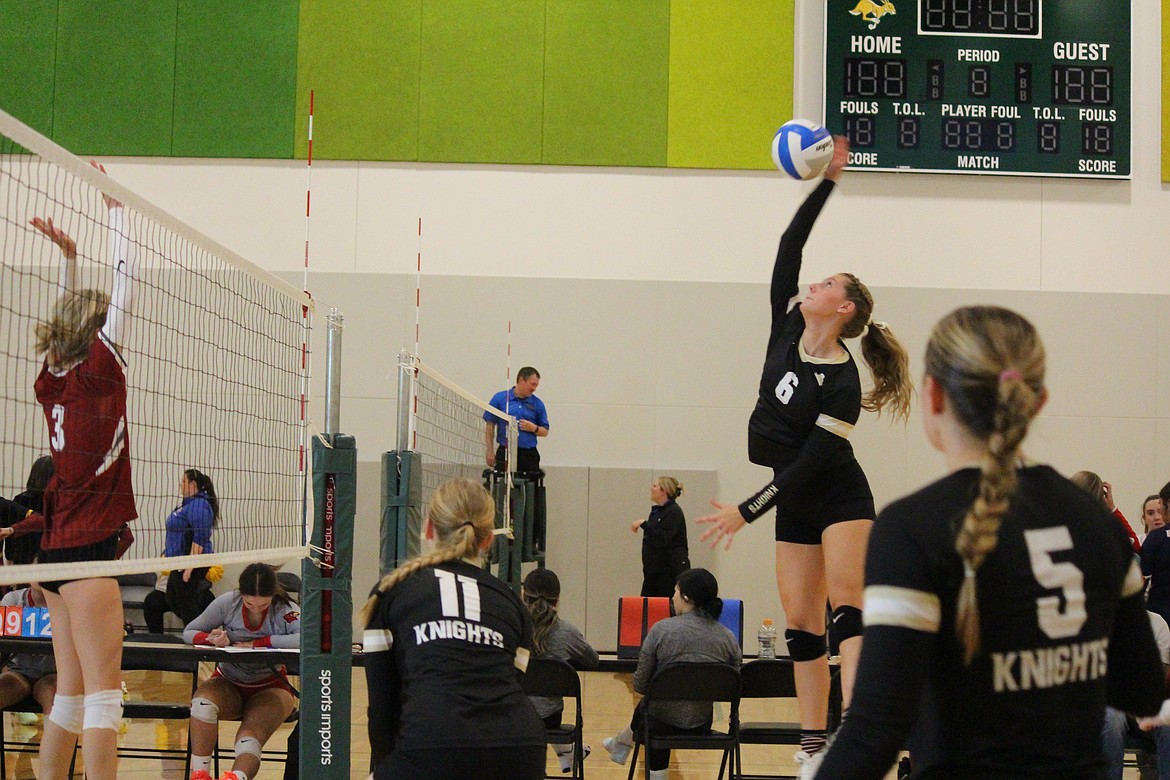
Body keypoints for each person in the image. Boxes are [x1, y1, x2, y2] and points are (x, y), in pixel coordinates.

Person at [812, 305, 1164, 780]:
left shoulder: (912, 528)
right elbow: (1141, 688)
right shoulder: (1096, 522)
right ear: (1036, 402)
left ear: (933, 396)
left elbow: (875, 731)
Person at [695, 137, 913, 770]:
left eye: (827, 283)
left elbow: (812, 466)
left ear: (843, 309)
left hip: (837, 494)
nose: (812, 282)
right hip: (790, 493)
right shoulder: (787, 321)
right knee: (800, 625)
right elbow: (790, 246)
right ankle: (812, 746)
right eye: (815, 280)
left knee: (848, 602)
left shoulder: (843, 383)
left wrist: (746, 511)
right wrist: (827, 183)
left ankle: (863, 734)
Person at [29, 162, 138, 780]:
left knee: (69, 694)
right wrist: (117, 211)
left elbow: (65, 326)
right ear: (99, 334)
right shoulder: (100, 372)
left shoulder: (53, 381)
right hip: (91, 554)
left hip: (51, 561)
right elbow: (126, 283)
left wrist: (69, 260)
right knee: (102, 695)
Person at [361, 478, 545, 780]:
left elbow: (382, 708)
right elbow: (506, 684)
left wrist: (383, 769)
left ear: (429, 529)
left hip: (432, 744)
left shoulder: (391, 592)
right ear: (488, 540)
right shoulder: (512, 603)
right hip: (519, 747)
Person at [602, 568, 741, 780]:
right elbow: (735, 685)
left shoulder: (661, 630)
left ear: (685, 597)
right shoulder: (727, 637)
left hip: (659, 723)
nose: (672, 596)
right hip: (701, 723)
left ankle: (627, 746)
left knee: (652, 710)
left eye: (675, 590)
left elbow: (639, 684)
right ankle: (621, 742)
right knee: (655, 710)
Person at [184, 562, 300, 780]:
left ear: (273, 596)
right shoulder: (227, 603)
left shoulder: (286, 610)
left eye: (263, 605)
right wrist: (210, 638)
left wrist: (260, 643)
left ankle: (236, 777)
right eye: (250, 603)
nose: (256, 608)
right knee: (202, 704)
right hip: (229, 682)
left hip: (271, 686)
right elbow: (189, 631)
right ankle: (199, 774)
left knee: (249, 737)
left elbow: (305, 637)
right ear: (240, 594)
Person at [521, 568, 599, 774]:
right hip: (549, 717)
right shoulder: (566, 632)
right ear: (557, 601)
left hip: (513, 714)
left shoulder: (511, 628)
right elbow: (593, 660)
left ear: (523, 596)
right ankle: (567, 753)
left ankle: (562, 756)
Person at [162, 468, 220, 626]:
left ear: (192, 484)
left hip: (190, 561)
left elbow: (200, 536)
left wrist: (189, 566)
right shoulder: (187, 504)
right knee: (173, 598)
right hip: (179, 560)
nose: (180, 484)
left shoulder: (199, 504)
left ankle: (196, 635)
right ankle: (197, 629)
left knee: (185, 601)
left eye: (182, 481)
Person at [0, 582, 58, 716]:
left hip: (53, 675)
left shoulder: (66, 603)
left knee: (54, 698)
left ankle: (54, 737)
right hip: (17, 673)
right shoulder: (13, 599)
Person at [630, 477, 690, 597]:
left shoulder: (673, 512)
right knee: (647, 609)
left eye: (655, 486)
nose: (651, 489)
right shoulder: (658, 513)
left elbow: (661, 539)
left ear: (664, 491)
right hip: (654, 574)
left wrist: (644, 524)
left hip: (668, 574)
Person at [484, 367, 549, 474]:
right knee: (502, 486)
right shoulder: (500, 398)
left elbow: (545, 431)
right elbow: (490, 425)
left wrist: (534, 428)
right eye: (532, 384)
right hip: (505, 451)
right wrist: (489, 450)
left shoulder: (537, 404)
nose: (534, 388)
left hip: (528, 454)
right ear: (521, 380)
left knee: (530, 488)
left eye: (536, 385)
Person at [1070, 470, 1141, 554]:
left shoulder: (1059, 519)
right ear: (1101, 496)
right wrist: (1113, 509)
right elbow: (1135, 547)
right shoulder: (1105, 527)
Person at [0, 455, 52, 564]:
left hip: (21, 569)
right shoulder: (58, 505)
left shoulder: (18, 501)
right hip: (47, 565)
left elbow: (9, 553)